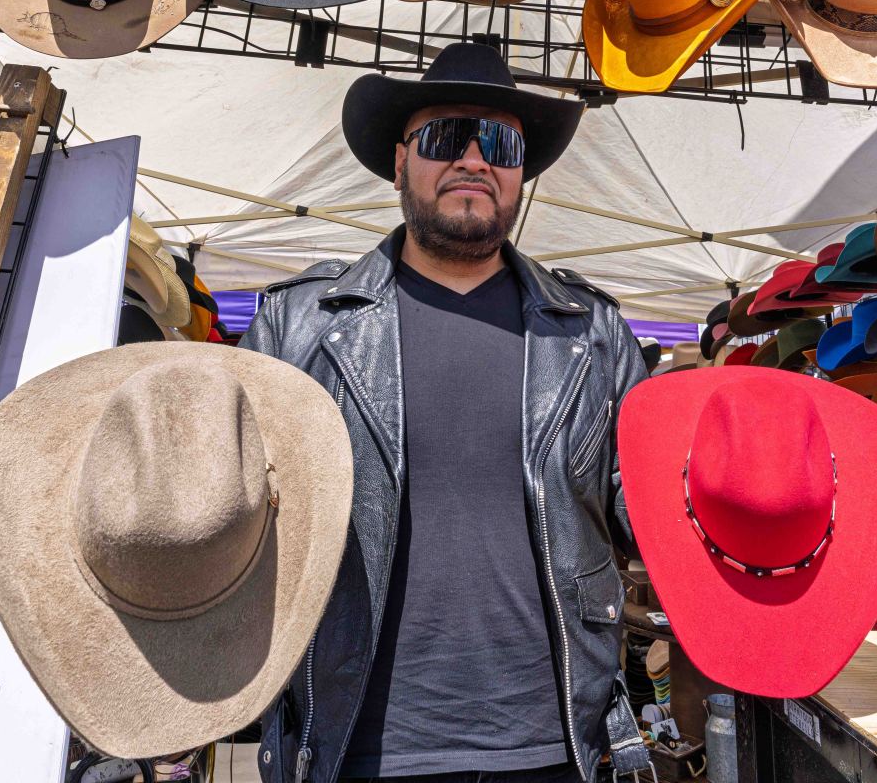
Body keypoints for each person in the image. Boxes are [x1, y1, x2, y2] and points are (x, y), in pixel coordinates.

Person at [242, 43, 650, 783]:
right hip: (358, 746)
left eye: (499, 143)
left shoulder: (592, 334)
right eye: (444, 138)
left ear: (521, 173)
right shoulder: (299, 326)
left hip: (556, 745)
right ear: (400, 163)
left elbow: (642, 510)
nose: (473, 160)